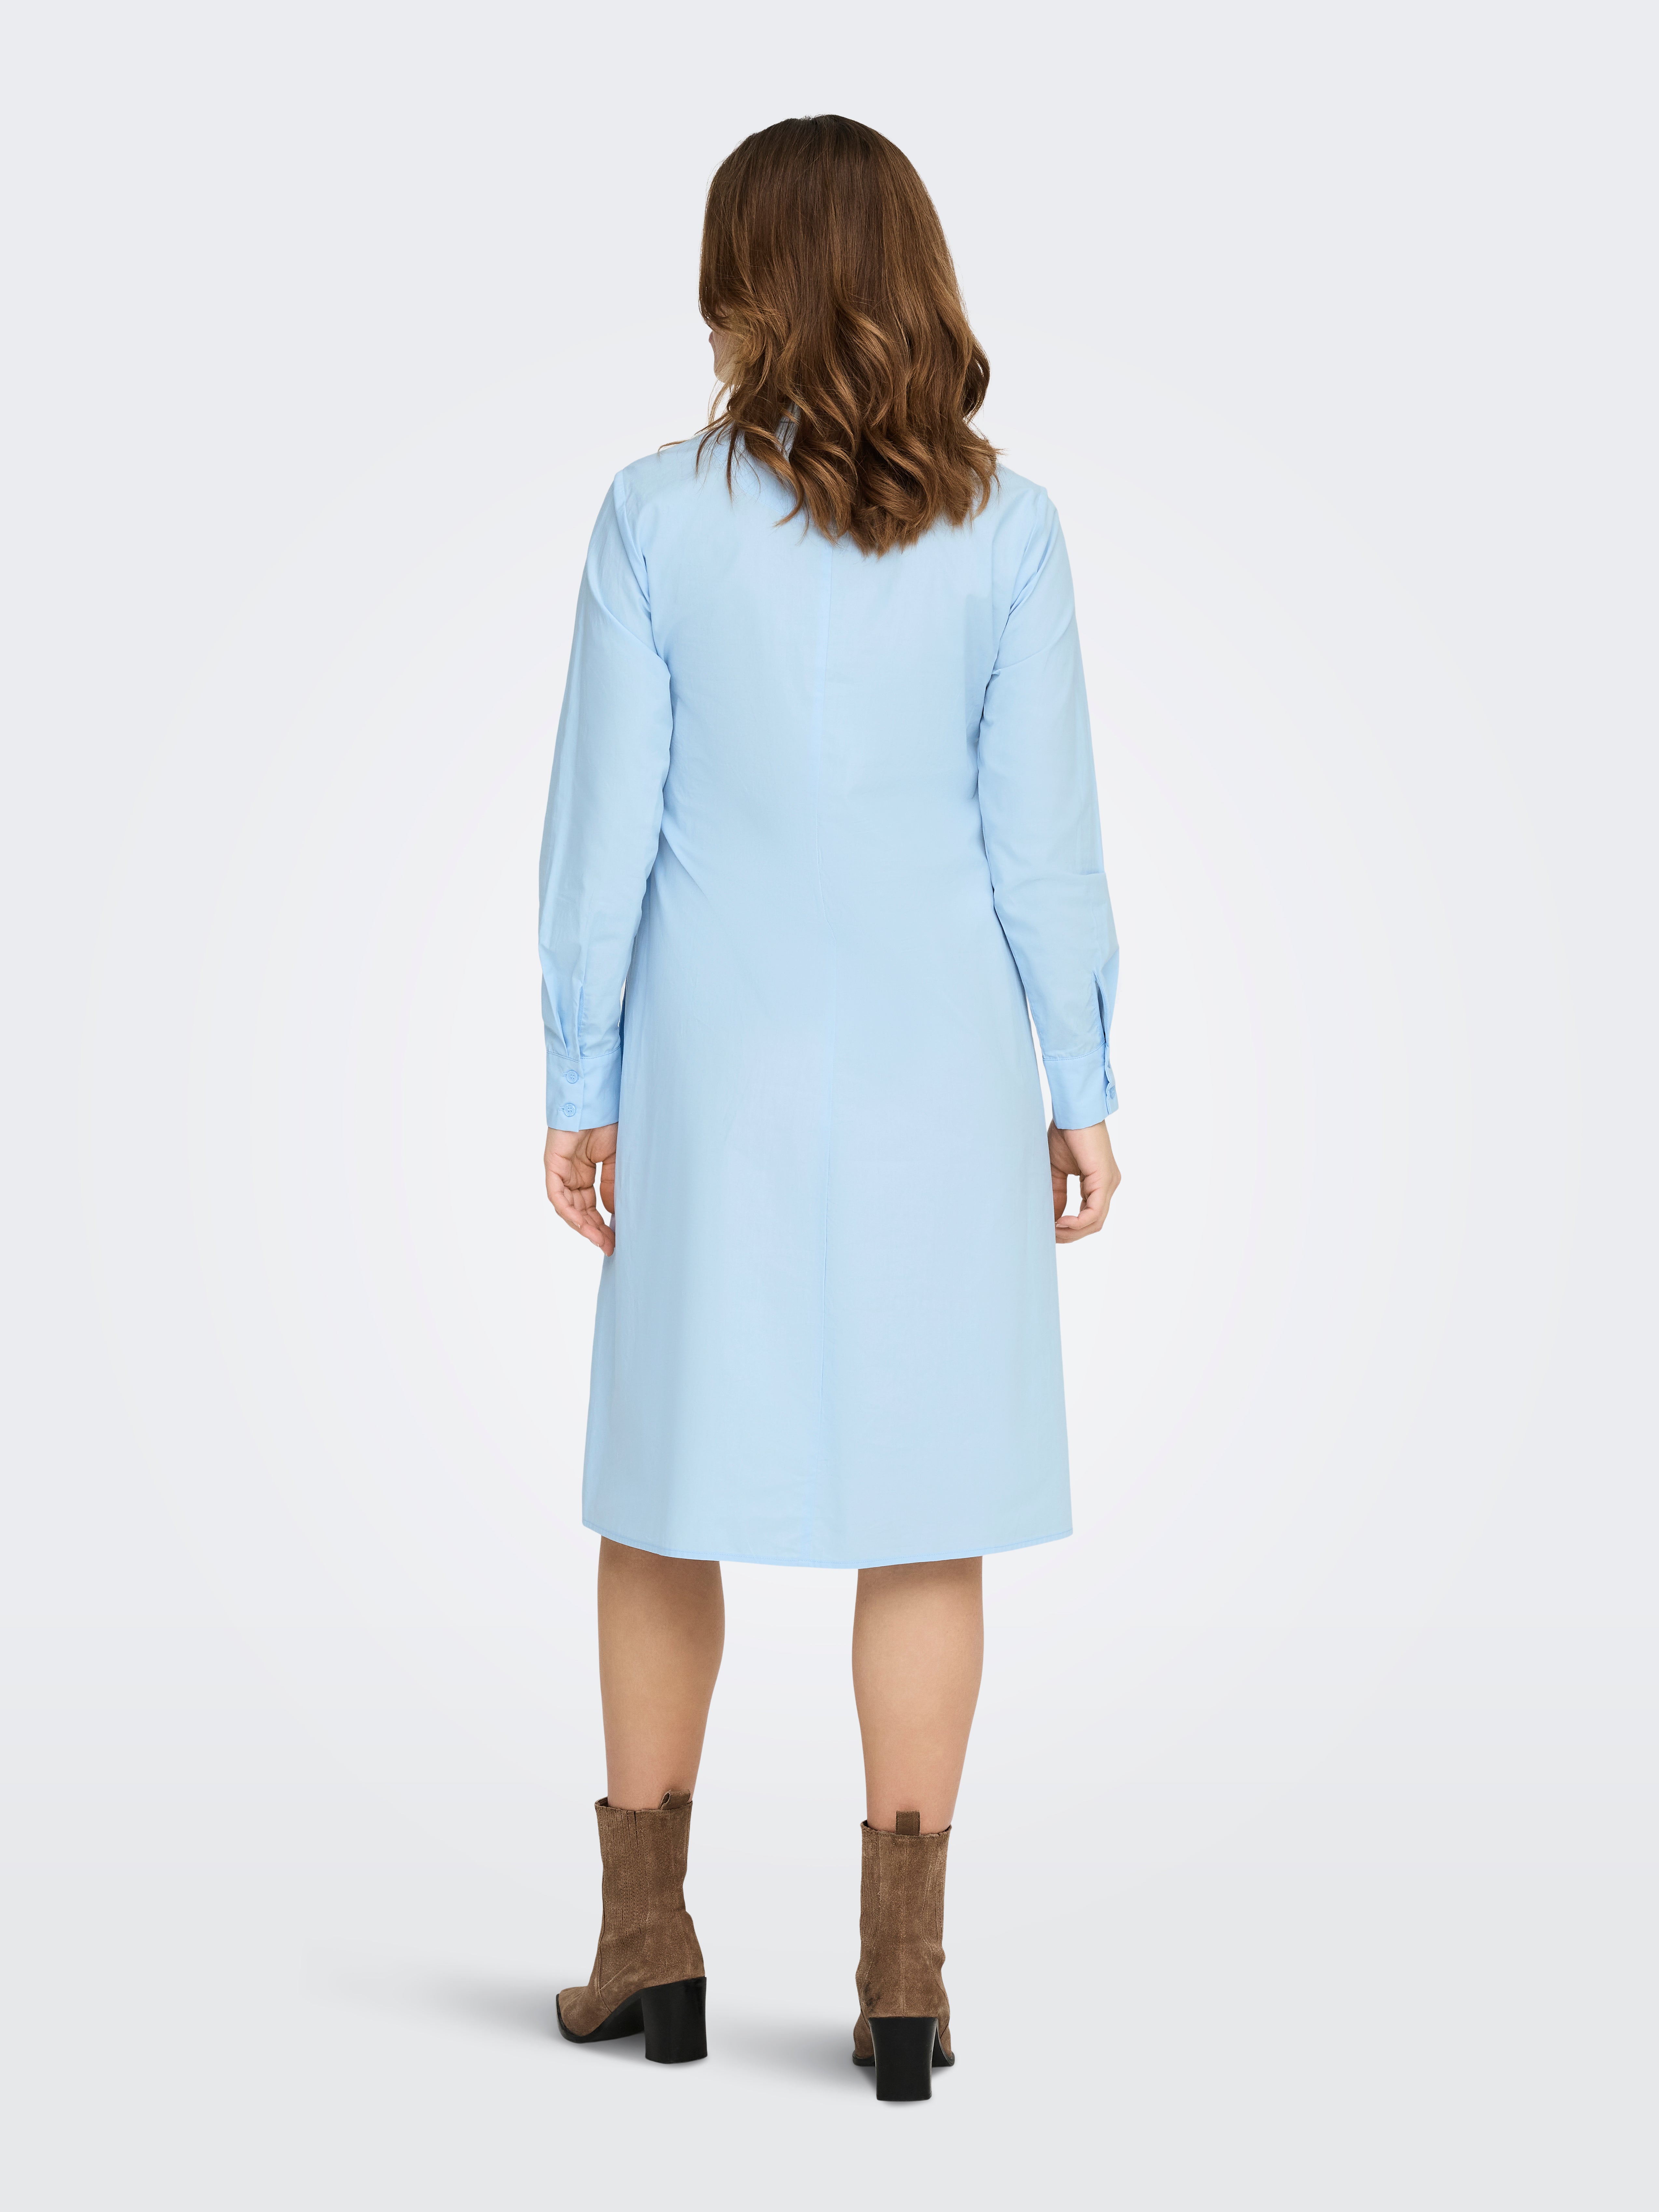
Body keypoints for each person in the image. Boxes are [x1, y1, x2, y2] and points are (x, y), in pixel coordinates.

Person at [537, 114, 1121, 2102]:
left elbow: (603, 835)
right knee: (929, 1511)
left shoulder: (651, 518)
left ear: (743, 287)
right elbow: (1043, 845)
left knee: (661, 1492)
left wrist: (581, 1078)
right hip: (943, 1082)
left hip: (711, 1075)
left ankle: (648, 1945)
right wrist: (1083, 1082)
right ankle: (903, 1988)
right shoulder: (1009, 531)